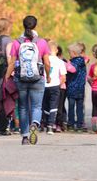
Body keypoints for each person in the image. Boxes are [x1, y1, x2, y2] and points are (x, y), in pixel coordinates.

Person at [5, 15, 51, 145]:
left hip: (21, 79)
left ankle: (25, 136)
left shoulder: (17, 43)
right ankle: (35, 124)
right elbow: (47, 63)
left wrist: (7, 76)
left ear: (23, 25)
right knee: (37, 106)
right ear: (35, 26)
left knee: (23, 107)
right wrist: (48, 75)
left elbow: (12, 63)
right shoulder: (42, 42)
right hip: (38, 78)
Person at [41, 40, 66, 135]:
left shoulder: (44, 60)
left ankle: (46, 122)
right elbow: (63, 77)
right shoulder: (60, 62)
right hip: (55, 85)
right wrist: (59, 85)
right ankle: (50, 125)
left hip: (45, 85)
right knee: (54, 106)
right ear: (56, 50)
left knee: (46, 106)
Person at [66, 43, 87, 132]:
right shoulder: (82, 61)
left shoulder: (75, 62)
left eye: (70, 53)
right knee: (79, 108)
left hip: (72, 88)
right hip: (80, 88)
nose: (69, 54)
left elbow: (73, 69)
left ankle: (71, 124)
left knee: (71, 107)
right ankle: (80, 124)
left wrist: (64, 64)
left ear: (74, 53)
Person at [55, 45, 69, 132]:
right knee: (60, 106)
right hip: (60, 87)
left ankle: (60, 123)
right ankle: (61, 123)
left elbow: (71, 70)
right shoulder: (63, 61)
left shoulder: (62, 62)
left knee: (59, 106)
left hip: (60, 86)